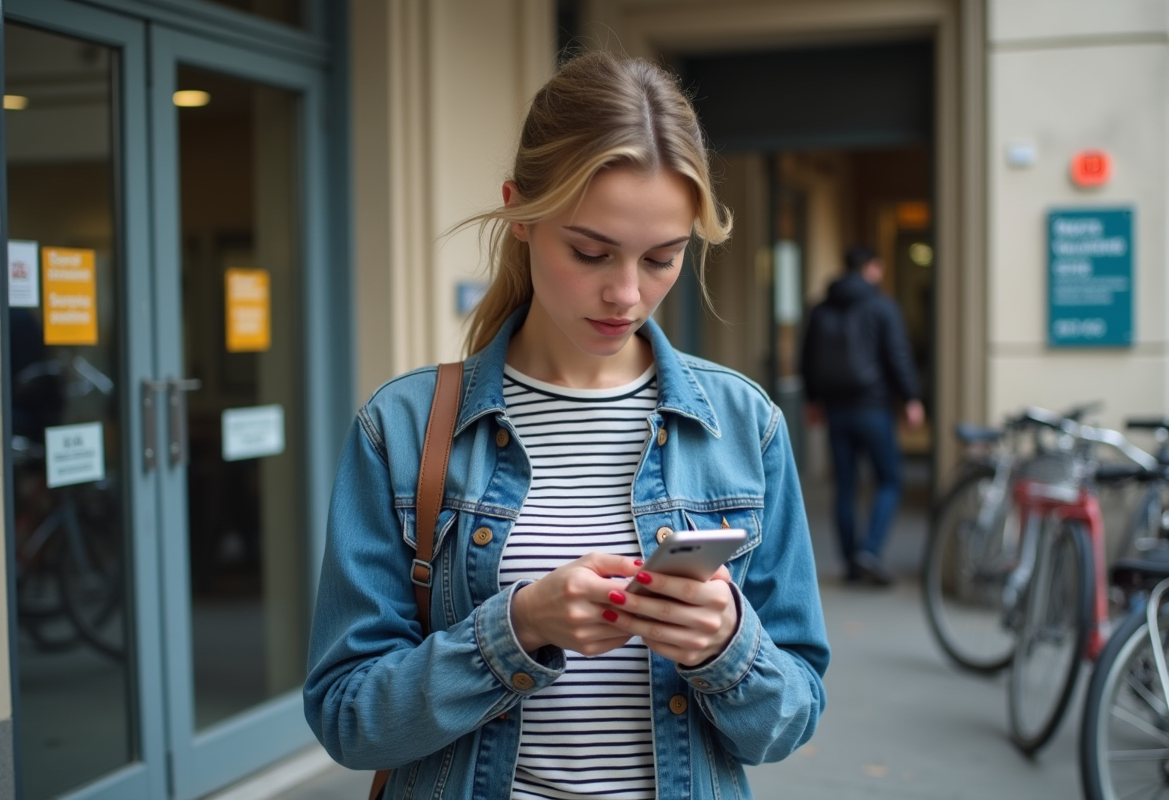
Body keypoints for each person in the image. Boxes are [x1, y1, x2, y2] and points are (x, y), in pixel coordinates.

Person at [304, 51, 829, 800]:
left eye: (662, 258)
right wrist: (514, 629)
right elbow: (347, 719)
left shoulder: (745, 426)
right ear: (521, 212)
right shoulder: (404, 428)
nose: (625, 293)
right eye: (590, 252)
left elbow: (791, 719)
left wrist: (725, 647)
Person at [800, 244, 925, 587]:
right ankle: (869, 550)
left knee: (845, 486)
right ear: (872, 268)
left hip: (836, 410)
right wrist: (912, 398)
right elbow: (897, 354)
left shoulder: (821, 307)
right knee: (889, 479)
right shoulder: (881, 306)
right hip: (873, 407)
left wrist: (813, 400)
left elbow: (808, 355)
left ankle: (851, 565)